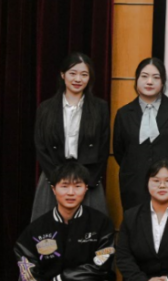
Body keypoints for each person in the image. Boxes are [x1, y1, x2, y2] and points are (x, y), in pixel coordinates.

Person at [32, 52, 111, 218]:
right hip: (53, 178)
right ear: (63, 75)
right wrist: (57, 180)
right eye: (72, 73)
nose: (78, 79)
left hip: (87, 179)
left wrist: (86, 182)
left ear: (90, 78)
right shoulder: (45, 108)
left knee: (89, 228)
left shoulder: (100, 108)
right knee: (49, 229)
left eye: (84, 74)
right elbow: (41, 147)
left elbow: (103, 148)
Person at [112, 58, 168, 213]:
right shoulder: (124, 114)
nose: (149, 82)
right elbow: (120, 152)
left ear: (163, 82)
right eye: (144, 76)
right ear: (136, 80)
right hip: (134, 185)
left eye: (156, 77)